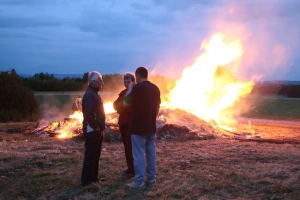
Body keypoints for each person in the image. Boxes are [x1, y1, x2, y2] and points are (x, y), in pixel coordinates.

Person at [123, 66, 161, 189]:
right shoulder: (155, 88)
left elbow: (126, 101)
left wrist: (129, 89)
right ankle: (151, 179)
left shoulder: (137, 88)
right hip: (151, 126)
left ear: (137, 76)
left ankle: (139, 182)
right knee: (151, 153)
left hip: (138, 128)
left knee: (138, 154)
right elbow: (158, 107)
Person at [81, 71, 106, 187]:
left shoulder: (94, 93)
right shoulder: (90, 95)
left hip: (97, 129)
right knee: (91, 155)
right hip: (92, 130)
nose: (102, 83)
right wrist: (96, 127)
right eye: (100, 81)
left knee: (96, 155)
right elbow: (89, 114)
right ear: (94, 82)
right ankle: (86, 181)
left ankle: (94, 177)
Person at [113, 72, 136, 179]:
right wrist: (120, 108)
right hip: (123, 123)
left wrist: (121, 109)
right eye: (125, 82)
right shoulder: (123, 93)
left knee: (131, 147)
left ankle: (133, 169)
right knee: (127, 147)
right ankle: (130, 168)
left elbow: (130, 107)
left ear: (133, 81)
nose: (126, 84)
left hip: (131, 124)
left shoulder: (135, 92)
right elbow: (115, 104)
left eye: (128, 81)